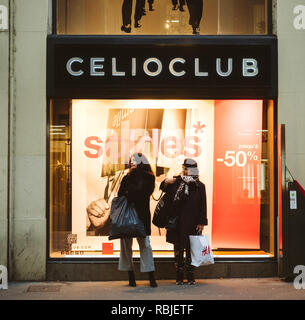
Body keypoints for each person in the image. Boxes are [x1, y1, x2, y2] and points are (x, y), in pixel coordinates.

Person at [160, 158, 207, 285]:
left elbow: (203, 205)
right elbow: (163, 190)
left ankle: (190, 275)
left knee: (191, 249)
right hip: (177, 222)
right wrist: (166, 182)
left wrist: (202, 222)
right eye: (183, 168)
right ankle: (179, 275)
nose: (184, 171)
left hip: (192, 222)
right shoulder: (177, 182)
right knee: (178, 249)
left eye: (186, 169)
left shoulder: (200, 186)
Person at [117, 153, 158, 287]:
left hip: (141, 217)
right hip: (127, 216)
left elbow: (142, 193)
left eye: (135, 160)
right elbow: (120, 195)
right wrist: (130, 190)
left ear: (141, 162)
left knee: (145, 246)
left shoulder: (149, 177)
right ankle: (131, 276)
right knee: (126, 247)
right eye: (131, 160)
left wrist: (130, 191)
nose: (132, 162)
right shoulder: (127, 177)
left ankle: (151, 276)